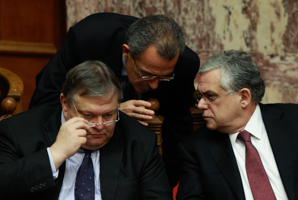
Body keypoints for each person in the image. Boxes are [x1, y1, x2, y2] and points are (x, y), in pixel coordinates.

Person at [29, 13, 200, 187]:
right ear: (126, 52)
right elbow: (44, 101)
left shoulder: (185, 64)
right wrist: (110, 112)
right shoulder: (88, 40)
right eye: (146, 74)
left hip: (137, 160)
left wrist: (160, 185)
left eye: (164, 77)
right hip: (75, 152)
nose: (155, 85)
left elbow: (178, 132)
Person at [176, 50, 298, 199]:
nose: (200, 106)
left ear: (244, 97)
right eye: (200, 97)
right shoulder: (195, 148)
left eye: (211, 97)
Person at [0, 61, 172, 200]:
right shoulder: (19, 131)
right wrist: (54, 154)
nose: (99, 125)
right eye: (88, 115)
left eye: (108, 114)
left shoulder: (139, 141)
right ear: (65, 104)